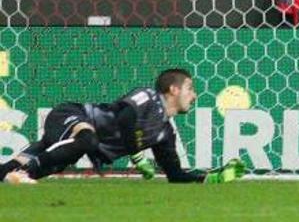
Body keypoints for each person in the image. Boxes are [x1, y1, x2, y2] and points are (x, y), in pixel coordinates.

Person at [0, 68, 245, 185]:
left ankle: (12, 173)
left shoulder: (164, 132)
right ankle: (23, 175)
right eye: (190, 89)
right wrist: (137, 154)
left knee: (50, 157)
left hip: (76, 140)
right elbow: (126, 116)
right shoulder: (148, 96)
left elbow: (175, 175)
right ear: (174, 89)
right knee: (87, 139)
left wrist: (212, 177)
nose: (194, 95)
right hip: (72, 114)